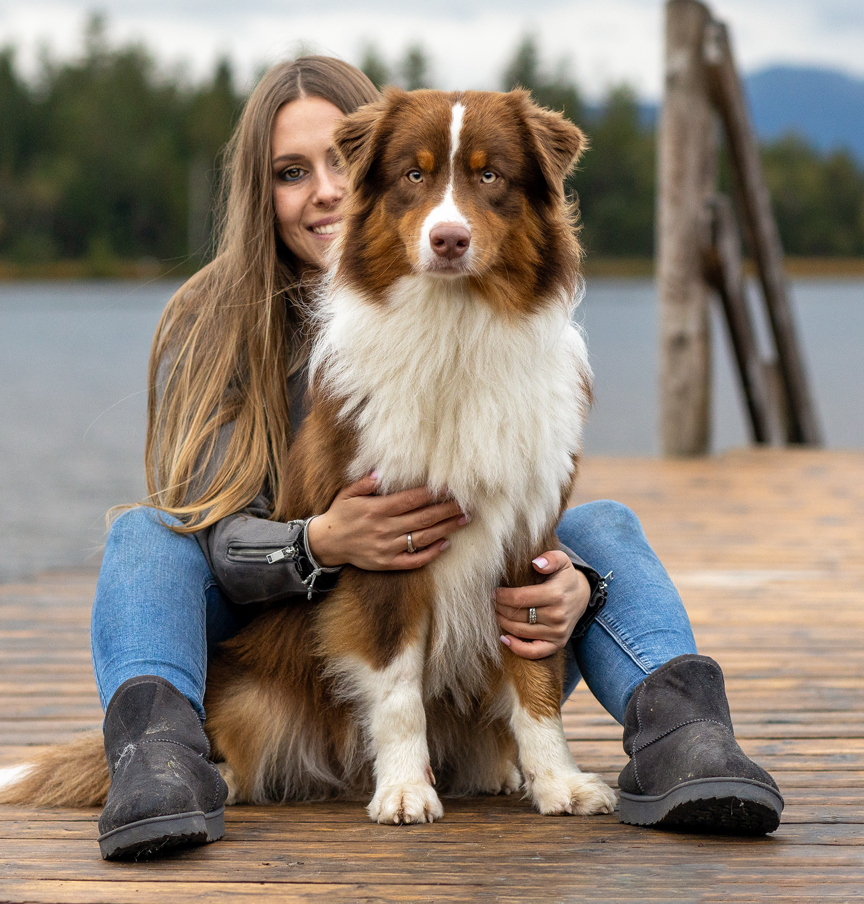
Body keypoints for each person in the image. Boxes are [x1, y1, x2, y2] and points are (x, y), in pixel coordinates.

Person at [91, 56, 783, 860]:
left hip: (463, 673)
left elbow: (525, 545)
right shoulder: (210, 321)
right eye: (290, 172)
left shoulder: (519, 336)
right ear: (258, 191)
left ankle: (688, 741)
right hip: (284, 642)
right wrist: (317, 543)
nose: (324, 191)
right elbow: (203, 530)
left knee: (601, 531)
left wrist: (579, 591)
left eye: (339, 166)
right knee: (144, 536)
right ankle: (160, 760)